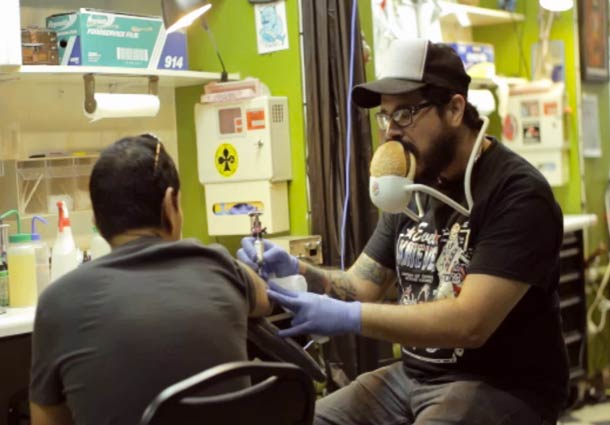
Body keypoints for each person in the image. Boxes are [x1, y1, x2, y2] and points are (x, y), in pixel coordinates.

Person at [238, 38, 568, 424]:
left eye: (405, 114)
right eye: (386, 117)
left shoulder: (517, 193)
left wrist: (351, 317)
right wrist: (298, 271)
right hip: (412, 377)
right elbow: (361, 286)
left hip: (501, 385)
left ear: (454, 109)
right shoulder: (412, 185)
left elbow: (470, 323)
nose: (391, 133)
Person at [29, 134, 271, 425]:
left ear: (97, 221)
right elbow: (264, 299)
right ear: (170, 204)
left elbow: (46, 420)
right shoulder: (220, 266)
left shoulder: (58, 301)